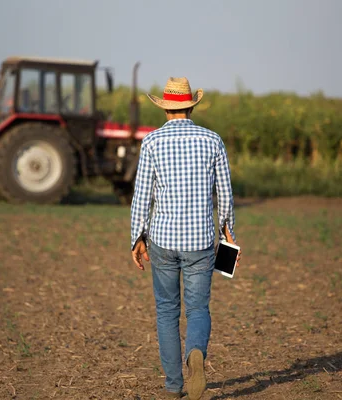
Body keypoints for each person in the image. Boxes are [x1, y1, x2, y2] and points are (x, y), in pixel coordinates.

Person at [130, 77, 241, 399]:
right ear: (191, 105)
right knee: (197, 309)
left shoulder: (152, 142)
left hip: (162, 240)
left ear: (165, 108)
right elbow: (225, 194)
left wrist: (137, 238)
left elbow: (142, 197)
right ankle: (196, 352)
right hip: (202, 241)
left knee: (166, 311)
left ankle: (174, 386)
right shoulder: (213, 140)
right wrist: (229, 234)